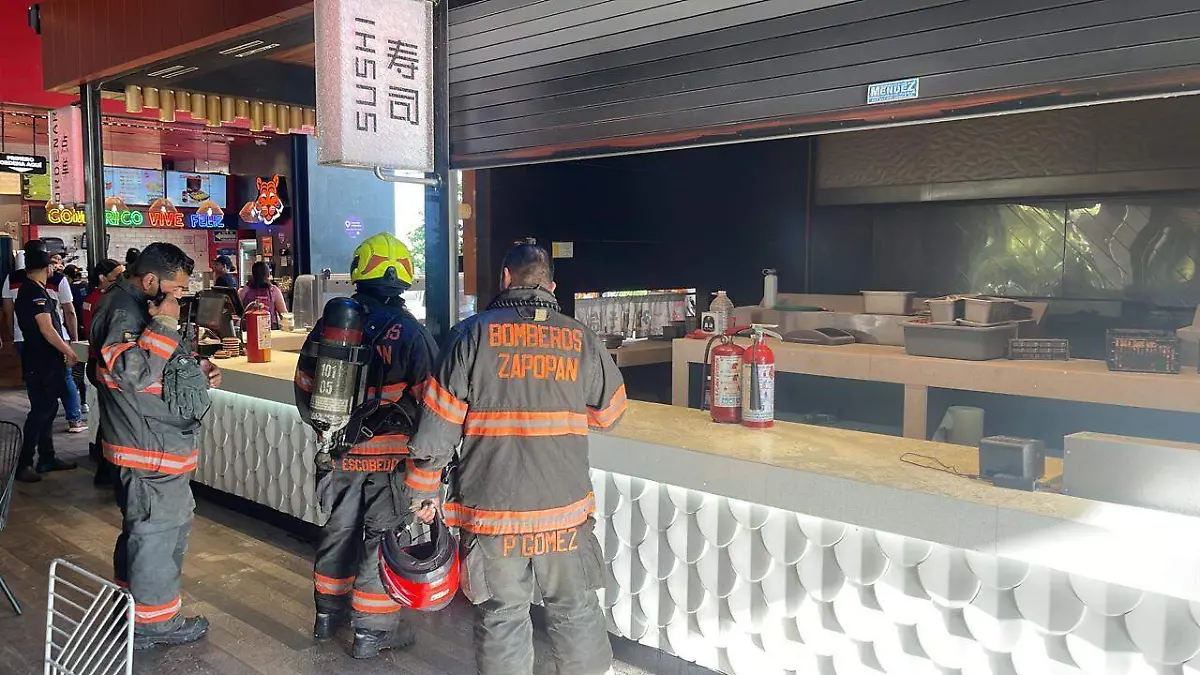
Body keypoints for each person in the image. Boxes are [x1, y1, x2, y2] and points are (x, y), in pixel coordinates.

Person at [406, 243, 628, 675]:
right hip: (563, 511)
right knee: (576, 608)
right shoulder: (580, 337)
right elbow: (611, 413)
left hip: (494, 513)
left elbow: (437, 428)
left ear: (505, 279)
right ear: (552, 286)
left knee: (503, 614)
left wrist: (423, 489)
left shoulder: (470, 335)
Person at [294, 233, 436, 659]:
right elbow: (434, 403)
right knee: (381, 538)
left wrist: (331, 430)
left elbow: (304, 386)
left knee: (337, 532)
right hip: (390, 462)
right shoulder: (411, 332)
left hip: (338, 454)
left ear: (360, 272)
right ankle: (372, 633)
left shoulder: (330, 325)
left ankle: (326, 617)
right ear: (404, 278)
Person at [91, 242, 221, 650]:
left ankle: (131, 609)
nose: (180, 297)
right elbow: (131, 372)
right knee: (158, 532)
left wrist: (195, 369)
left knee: (145, 530)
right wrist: (165, 325)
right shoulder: (124, 310)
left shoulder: (130, 305)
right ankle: (154, 624)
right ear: (150, 281)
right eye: (176, 289)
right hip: (148, 447)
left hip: (149, 441)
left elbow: (155, 364)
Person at [13, 245, 80, 483]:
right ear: (46, 266)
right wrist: (69, 350)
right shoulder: (33, 292)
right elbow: (47, 329)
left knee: (49, 409)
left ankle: (47, 457)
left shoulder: (33, 289)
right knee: (41, 411)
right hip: (41, 360)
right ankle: (24, 463)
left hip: (44, 359)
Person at [4, 243, 87, 434]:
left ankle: (45, 450)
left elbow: (8, 309)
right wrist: (71, 344)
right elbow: (67, 313)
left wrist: (11, 333)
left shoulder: (13, 279)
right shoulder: (53, 281)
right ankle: (74, 419)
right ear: (46, 264)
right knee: (64, 382)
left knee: (39, 395)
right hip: (51, 344)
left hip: (22, 339)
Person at [82, 258, 125, 487]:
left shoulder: (91, 300)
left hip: (95, 363)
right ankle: (106, 470)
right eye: (117, 277)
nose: (121, 281)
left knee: (109, 417)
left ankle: (106, 469)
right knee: (112, 418)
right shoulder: (105, 301)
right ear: (102, 278)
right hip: (103, 365)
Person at [239, 261, 287, 329]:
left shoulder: (245, 290)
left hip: (249, 329)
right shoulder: (274, 290)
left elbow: (238, 312)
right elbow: (284, 314)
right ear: (268, 274)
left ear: (253, 274)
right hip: (269, 330)